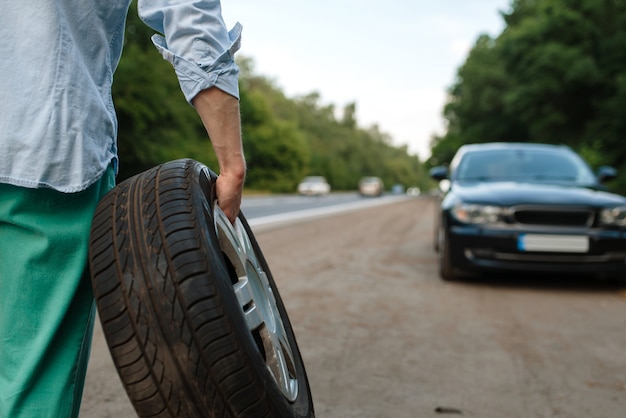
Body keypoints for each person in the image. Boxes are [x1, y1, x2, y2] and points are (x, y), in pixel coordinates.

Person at [0, 1, 246, 416]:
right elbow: (185, 10)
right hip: (43, 146)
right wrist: (231, 160)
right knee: (29, 385)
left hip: (39, 147)